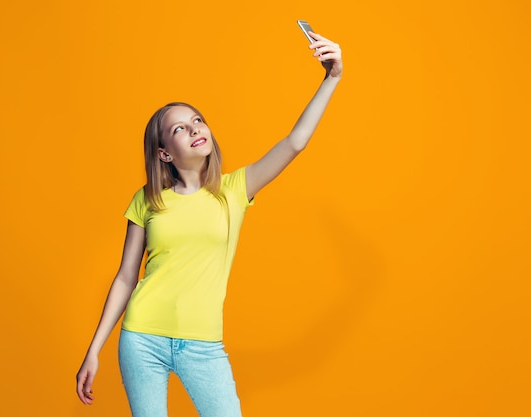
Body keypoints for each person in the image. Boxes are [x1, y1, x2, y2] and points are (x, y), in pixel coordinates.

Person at [76, 30, 343, 417]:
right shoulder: (147, 199)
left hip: (203, 344)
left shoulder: (234, 190)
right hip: (142, 338)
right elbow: (125, 278)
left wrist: (331, 77)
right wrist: (93, 351)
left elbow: (295, 142)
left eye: (197, 120)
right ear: (164, 152)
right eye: (180, 128)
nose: (195, 128)